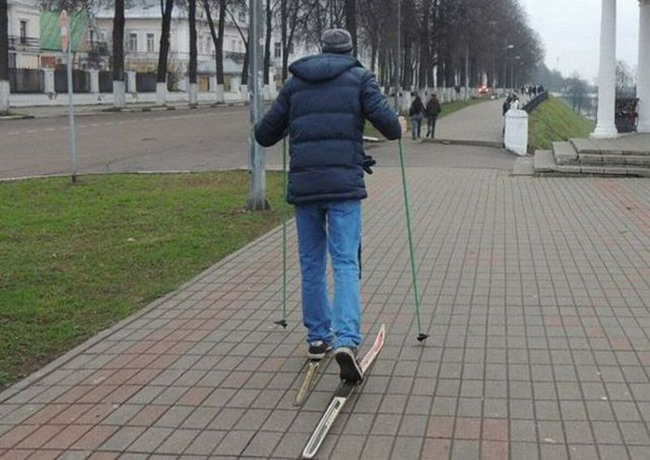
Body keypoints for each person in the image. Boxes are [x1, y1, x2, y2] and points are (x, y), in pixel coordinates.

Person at [255, 29, 404, 383]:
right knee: (345, 262)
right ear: (349, 50)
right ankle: (347, 340)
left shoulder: (295, 84)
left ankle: (318, 338)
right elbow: (391, 129)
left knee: (311, 263)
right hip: (343, 188)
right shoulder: (359, 78)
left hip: (306, 187)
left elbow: (264, 134)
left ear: (322, 50)